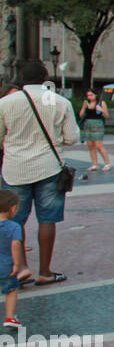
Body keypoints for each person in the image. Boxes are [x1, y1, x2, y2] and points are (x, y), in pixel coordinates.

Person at [0, 63, 79, 287]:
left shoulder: (5, 103)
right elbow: (72, 137)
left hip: (15, 169)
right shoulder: (60, 102)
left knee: (15, 220)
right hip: (49, 167)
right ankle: (45, 271)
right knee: (47, 219)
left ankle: (21, 267)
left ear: (20, 78)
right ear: (46, 77)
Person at [1, 190, 24, 329]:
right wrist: (17, 264)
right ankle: (10, 317)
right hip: (6, 266)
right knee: (11, 290)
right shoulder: (14, 227)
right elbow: (15, 245)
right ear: (13, 208)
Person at [78, 90, 111, 172]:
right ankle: (94, 164)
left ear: (95, 95)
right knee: (90, 146)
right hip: (88, 125)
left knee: (98, 145)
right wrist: (84, 107)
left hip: (98, 125)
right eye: (88, 95)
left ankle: (107, 163)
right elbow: (81, 115)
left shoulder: (101, 103)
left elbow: (106, 116)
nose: (89, 97)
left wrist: (102, 110)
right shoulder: (87, 103)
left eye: (91, 95)